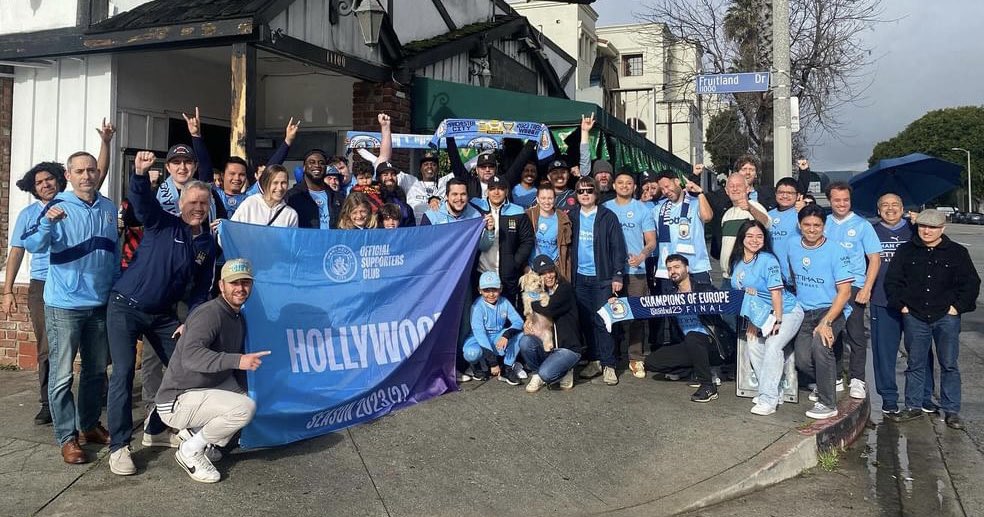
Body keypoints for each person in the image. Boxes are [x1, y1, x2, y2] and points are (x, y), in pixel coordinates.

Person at [105, 151, 219, 475]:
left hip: (162, 315)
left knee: (185, 369)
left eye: (203, 203)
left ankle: (156, 430)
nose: (197, 208)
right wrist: (140, 176)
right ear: (181, 202)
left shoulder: (207, 244)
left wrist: (189, 322)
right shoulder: (161, 222)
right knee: (124, 371)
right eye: (192, 202)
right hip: (125, 306)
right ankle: (119, 447)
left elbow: (201, 290)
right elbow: (141, 204)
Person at [22, 151, 119, 464]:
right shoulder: (55, 205)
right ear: (69, 174)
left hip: (99, 304)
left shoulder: (108, 207)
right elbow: (32, 244)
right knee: (62, 376)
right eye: (80, 171)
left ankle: (89, 425)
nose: (86, 176)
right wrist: (48, 224)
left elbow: (113, 253)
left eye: (91, 170)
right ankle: (67, 437)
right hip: (64, 305)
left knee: (94, 371)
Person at [155, 258, 268, 483]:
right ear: (221, 285)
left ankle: (196, 436)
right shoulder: (210, 313)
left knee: (248, 396)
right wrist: (238, 361)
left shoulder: (236, 314)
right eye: (234, 283)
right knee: (244, 408)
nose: (240, 288)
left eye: (245, 283)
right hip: (176, 399)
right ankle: (190, 450)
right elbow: (191, 356)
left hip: (202, 388)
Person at [884, 209, 980, 429]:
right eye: (923, 226)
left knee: (949, 364)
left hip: (946, 316)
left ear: (942, 229)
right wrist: (903, 307)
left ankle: (952, 410)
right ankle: (913, 406)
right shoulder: (906, 251)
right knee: (915, 363)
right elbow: (893, 282)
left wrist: (957, 308)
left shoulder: (957, 253)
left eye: (932, 227)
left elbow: (971, 283)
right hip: (915, 316)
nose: (927, 231)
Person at [728, 220, 804, 415]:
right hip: (760, 314)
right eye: (750, 236)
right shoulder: (737, 262)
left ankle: (768, 400)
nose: (755, 240)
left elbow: (776, 294)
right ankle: (771, 389)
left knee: (773, 345)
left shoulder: (768, 260)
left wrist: (778, 320)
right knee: (753, 343)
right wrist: (754, 322)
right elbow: (744, 296)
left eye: (759, 236)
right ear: (742, 239)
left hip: (786, 311)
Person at [786, 205, 853, 420]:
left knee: (820, 346)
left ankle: (828, 403)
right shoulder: (792, 246)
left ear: (824, 226)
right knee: (803, 360)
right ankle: (827, 380)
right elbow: (793, 279)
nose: (812, 229)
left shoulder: (836, 250)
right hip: (805, 311)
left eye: (817, 225)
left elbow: (845, 292)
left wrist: (826, 322)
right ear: (800, 225)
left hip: (830, 310)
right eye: (807, 224)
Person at [869, 193, 933, 416]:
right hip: (882, 300)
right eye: (884, 205)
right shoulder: (872, 231)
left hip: (916, 303)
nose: (890, 209)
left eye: (895, 204)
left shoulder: (916, 230)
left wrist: (920, 223)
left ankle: (924, 396)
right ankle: (888, 398)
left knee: (920, 351)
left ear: (903, 208)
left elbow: (938, 245)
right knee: (884, 352)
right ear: (878, 210)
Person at [643, 255, 734, 403]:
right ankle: (700, 369)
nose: (673, 271)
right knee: (651, 362)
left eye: (677, 267)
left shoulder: (704, 289)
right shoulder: (670, 297)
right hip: (689, 345)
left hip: (713, 344)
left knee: (693, 335)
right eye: (669, 269)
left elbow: (726, 301)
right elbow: (645, 306)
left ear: (687, 269)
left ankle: (708, 386)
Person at [824, 181, 880, 400]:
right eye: (837, 200)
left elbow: (874, 258)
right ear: (830, 200)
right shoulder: (824, 223)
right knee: (831, 331)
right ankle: (836, 376)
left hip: (854, 285)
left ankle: (857, 379)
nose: (841, 204)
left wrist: (867, 287)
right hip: (828, 286)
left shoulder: (862, 225)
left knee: (855, 333)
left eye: (845, 200)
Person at [570, 177, 627, 386]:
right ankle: (594, 361)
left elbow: (617, 248)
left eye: (589, 190)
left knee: (604, 321)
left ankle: (609, 364)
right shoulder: (572, 216)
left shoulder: (607, 216)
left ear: (596, 193)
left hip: (602, 278)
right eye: (580, 191)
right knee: (586, 322)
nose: (585, 194)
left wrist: (617, 275)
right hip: (579, 278)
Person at [604, 170, 657, 378]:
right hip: (611, 272)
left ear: (634, 187)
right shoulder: (605, 208)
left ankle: (636, 358)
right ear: (614, 186)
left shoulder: (642, 210)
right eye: (620, 182)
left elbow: (651, 241)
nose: (624, 186)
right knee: (612, 314)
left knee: (637, 315)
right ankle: (612, 356)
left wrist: (642, 255)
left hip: (636, 272)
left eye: (629, 183)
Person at [520, 255, 583, 392]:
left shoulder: (564, 289)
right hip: (549, 346)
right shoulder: (541, 292)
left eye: (550, 271)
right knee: (525, 342)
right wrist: (528, 321)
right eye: (542, 273)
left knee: (547, 374)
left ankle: (566, 369)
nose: (548, 276)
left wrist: (530, 303)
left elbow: (549, 310)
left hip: (568, 348)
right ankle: (537, 373)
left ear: (556, 271)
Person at [472, 175, 534, 305]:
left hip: (508, 277)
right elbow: (456, 204)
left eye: (500, 188)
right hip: (481, 273)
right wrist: (435, 200)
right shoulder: (476, 208)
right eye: (492, 188)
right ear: (487, 191)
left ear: (506, 191)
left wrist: (514, 263)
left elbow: (527, 241)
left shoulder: (517, 212)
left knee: (509, 315)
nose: (496, 192)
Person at [652, 170, 713, 286]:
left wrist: (700, 193)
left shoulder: (695, 203)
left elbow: (707, 217)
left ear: (677, 181)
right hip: (669, 271)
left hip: (696, 267)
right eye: (662, 189)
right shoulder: (658, 209)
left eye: (667, 186)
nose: (666, 191)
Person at [462, 271, 525, 385]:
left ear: (500, 289)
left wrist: (506, 335)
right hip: (477, 339)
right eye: (486, 290)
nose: (491, 294)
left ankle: (507, 368)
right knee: (472, 353)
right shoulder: (477, 307)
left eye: (494, 290)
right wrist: (493, 363)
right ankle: (476, 367)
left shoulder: (504, 302)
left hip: (497, 336)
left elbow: (519, 322)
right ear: (479, 290)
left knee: (521, 336)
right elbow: (480, 334)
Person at [718, 173, 771, 283]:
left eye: (739, 185)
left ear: (747, 189)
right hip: (727, 278)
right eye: (731, 186)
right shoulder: (726, 214)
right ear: (726, 191)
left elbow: (767, 224)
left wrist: (750, 208)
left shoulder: (755, 206)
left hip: (747, 277)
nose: (735, 189)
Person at [285, 149, 344, 229]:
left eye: (321, 163)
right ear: (304, 168)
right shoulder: (292, 196)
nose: (317, 165)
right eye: (312, 162)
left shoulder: (337, 197)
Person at [526, 181, 572, 280]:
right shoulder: (529, 216)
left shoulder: (563, 218)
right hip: (533, 269)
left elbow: (566, 248)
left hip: (553, 269)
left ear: (555, 199)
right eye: (543, 198)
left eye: (550, 198)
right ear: (537, 199)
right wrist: (525, 267)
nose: (546, 202)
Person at [230, 165, 299, 227]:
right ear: (266, 183)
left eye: (283, 183)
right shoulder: (250, 203)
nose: (280, 188)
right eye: (275, 183)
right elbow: (232, 230)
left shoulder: (290, 214)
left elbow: (290, 240)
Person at [768, 177, 804, 282]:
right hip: (772, 275)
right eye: (781, 192)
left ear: (798, 196)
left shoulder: (802, 214)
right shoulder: (768, 215)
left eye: (789, 193)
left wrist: (804, 209)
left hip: (794, 276)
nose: (784, 196)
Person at [420, 178, 485, 225]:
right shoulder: (431, 216)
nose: (459, 198)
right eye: (455, 194)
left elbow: (483, 243)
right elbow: (423, 242)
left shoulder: (476, 215)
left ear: (468, 196)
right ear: (446, 196)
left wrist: (490, 231)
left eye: (463, 194)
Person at [406, 151, 445, 223]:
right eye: (426, 164)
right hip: (416, 230)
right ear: (420, 168)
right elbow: (386, 171)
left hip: (437, 230)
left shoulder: (444, 183)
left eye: (433, 164)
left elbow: (466, 167)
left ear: (438, 169)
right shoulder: (411, 182)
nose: (429, 166)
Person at [376, 161, 417, 227]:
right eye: (385, 174)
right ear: (379, 177)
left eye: (393, 174)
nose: (390, 177)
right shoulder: (372, 197)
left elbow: (411, 229)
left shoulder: (403, 202)